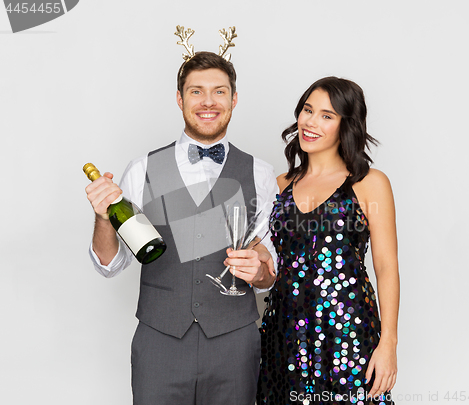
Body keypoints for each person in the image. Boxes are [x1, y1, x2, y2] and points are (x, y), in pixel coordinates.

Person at [85, 51, 277, 405]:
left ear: (234, 99)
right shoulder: (141, 168)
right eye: (196, 91)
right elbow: (110, 265)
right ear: (179, 99)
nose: (208, 102)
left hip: (234, 343)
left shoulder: (261, 175)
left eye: (219, 92)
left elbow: (269, 271)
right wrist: (102, 219)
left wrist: (260, 273)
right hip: (159, 341)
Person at [257, 77, 399, 405]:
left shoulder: (369, 183)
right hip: (285, 332)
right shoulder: (278, 185)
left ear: (346, 126)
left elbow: (386, 267)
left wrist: (388, 343)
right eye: (308, 110)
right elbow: (265, 256)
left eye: (326, 115)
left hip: (349, 333)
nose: (310, 122)